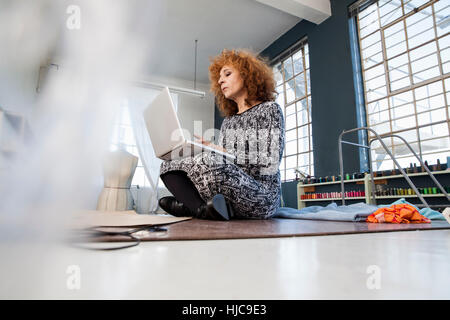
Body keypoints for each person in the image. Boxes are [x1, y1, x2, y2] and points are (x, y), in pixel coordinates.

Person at [158, 49, 285, 220]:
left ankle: (191, 205)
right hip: (228, 192)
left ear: (247, 74)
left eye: (227, 74)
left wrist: (218, 151)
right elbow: (226, 164)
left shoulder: (269, 109)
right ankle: (202, 208)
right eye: (219, 78)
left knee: (211, 161)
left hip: (262, 196)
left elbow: (268, 161)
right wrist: (207, 149)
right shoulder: (228, 121)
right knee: (168, 164)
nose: (220, 80)